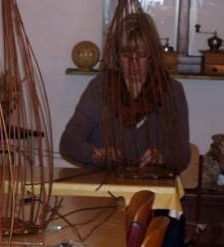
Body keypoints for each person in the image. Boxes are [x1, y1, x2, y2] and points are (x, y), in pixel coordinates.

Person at [60, 12, 190, 174]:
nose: (133, 64)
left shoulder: (171, 91)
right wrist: (95, 153)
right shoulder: (100, 87)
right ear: (116, 56)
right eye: (126, 55)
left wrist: (162, 157)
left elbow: (182, 155)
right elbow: (69, 142)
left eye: (141, 55)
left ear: (152, 55)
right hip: (104, 184)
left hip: (151, 189)